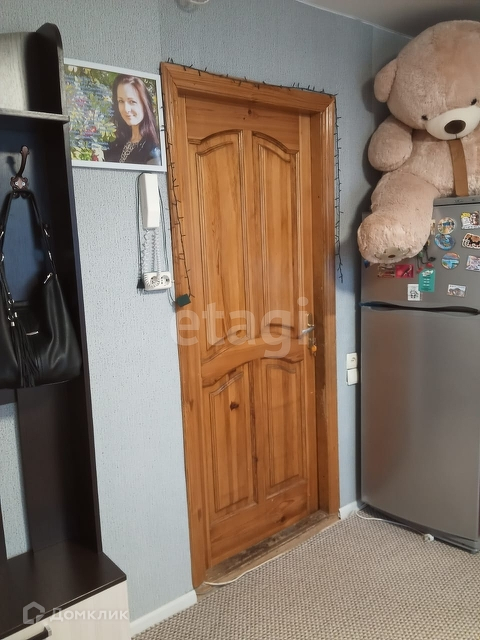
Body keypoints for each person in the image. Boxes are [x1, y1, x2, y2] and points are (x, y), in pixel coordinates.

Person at [104, 74, 161, 165]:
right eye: (121, 101)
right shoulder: (116, 143)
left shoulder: (153, 151)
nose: (126, 109)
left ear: (145, 105)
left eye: (132, 102)